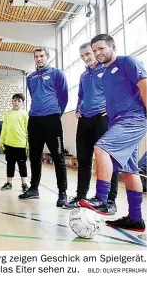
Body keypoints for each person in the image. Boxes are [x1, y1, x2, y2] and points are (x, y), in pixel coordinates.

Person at [80, 34, 146, 232]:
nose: (98, 53)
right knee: (130, 171)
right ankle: (136, 219)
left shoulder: (128, 62)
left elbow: (144, 87)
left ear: (112, 47)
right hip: (117, 121)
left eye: (101, 49)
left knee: (101, 147)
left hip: (133, 120)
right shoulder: (106, 73)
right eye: (95, 50)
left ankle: (102, 199)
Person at [64, 42, 119, 214]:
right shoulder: (83, 76)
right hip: (85, 120)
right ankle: (81, 196)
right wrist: (79, 107)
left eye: (88, 54)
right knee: (84, 159)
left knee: (107, 159)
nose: (86, 58)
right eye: (82, 56)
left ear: (95, 52)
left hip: (103, 117)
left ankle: (109, 200)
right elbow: (81, 95)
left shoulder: (108, 70)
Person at [18, 47, 69, 207]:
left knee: (58, 157)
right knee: (34, 157)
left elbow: (64, 96)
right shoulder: (31, 77)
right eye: (36, 57)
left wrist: (55, 113)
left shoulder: (57, 74)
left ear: (47, 57)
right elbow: (34, 96)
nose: (38, 59)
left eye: (41, 56)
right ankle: (34, 189)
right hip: (34, 120)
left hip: (52, 120)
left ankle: (62, 193)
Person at [0, 93, 29, 192]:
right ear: (12, 101)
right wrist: (1, 141)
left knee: (22, 165)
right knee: (10, 164)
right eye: (15, 100)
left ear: (22, 103)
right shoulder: (7, 114)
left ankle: (24, 184)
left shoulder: (25, 114)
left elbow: (28, 130)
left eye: (19, 101)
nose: (16, 102)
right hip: (9, 144)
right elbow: (4, 128)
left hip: (21, 144)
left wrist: (28, 145)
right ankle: (9, 183)